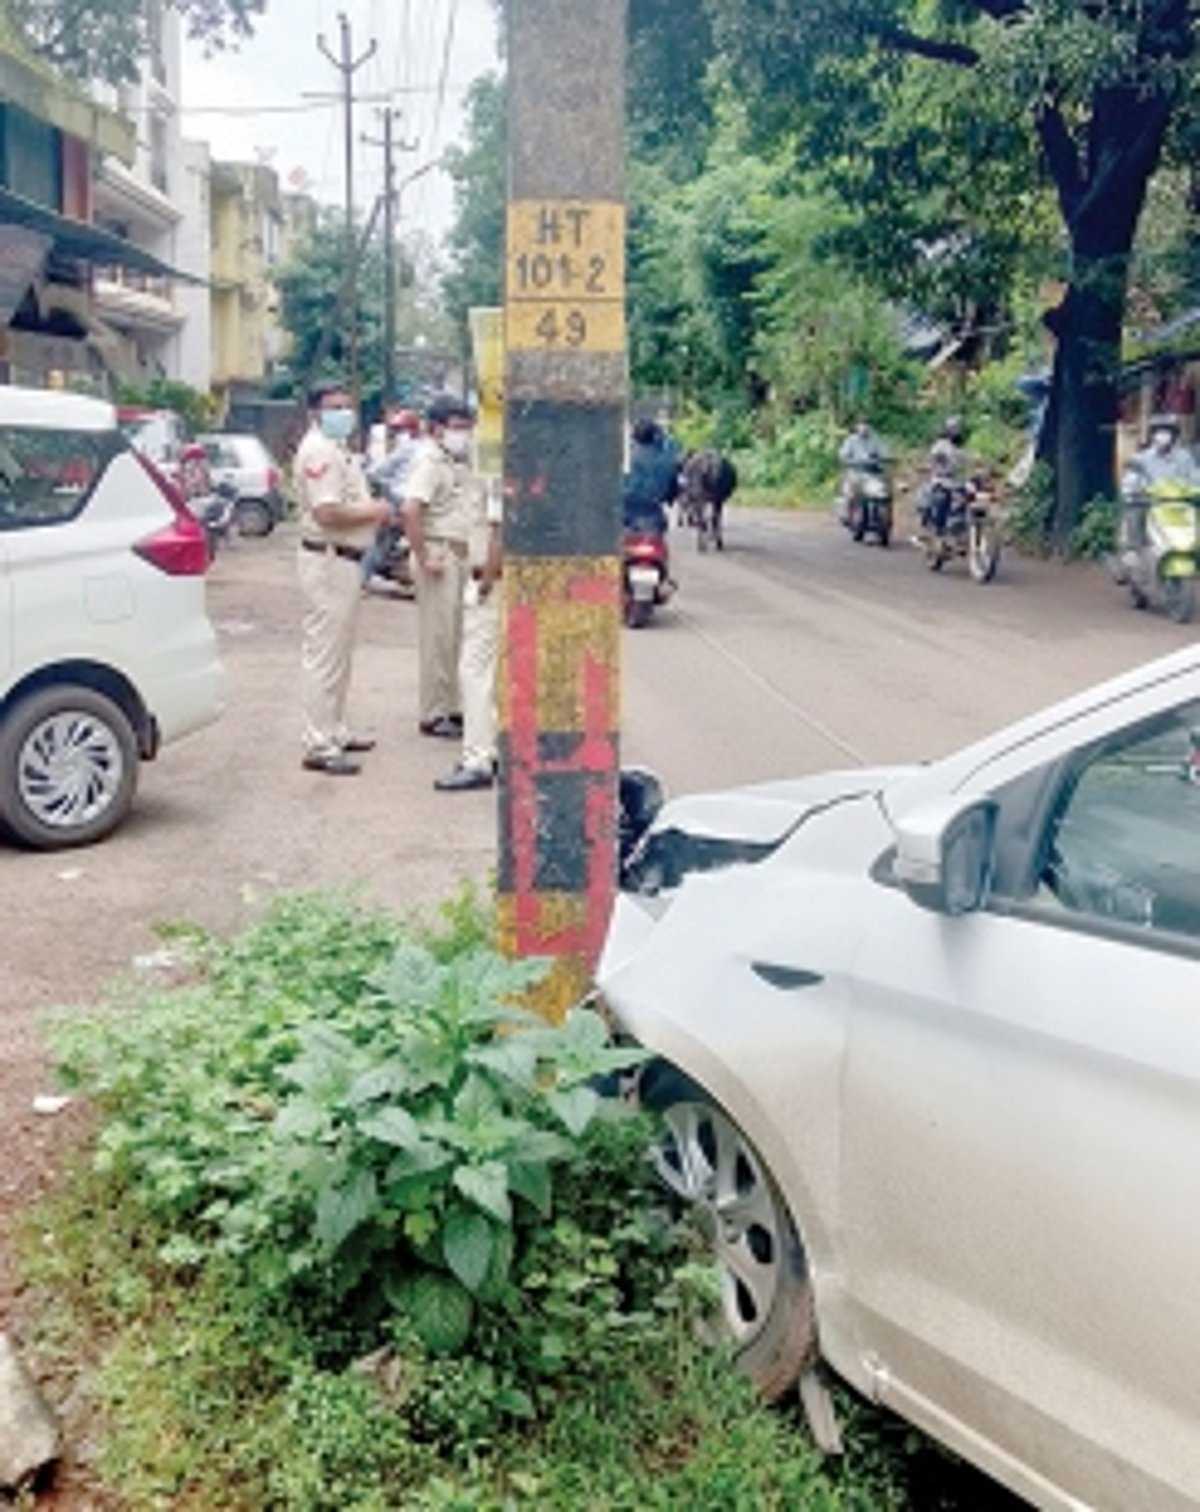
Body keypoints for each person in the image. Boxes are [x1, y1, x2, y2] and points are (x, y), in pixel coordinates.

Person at [294, 380, 391, 775]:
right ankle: (319, 742)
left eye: (346, 406)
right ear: (315, 411)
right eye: (334, 406)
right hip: (328, 559)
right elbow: (327, 513)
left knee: (339, 653)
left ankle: (334, 729)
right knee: (324, 655)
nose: (343, 413)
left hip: (344, 560)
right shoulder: (319, 451)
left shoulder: (337, 450)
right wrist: (375, 512)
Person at [401, 394, 482, 738]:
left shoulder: (458, 460)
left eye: (467, 427)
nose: (463, 433)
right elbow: (410, 510)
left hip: (459, 553)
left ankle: (453, 707)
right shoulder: (429, 460)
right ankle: (433, 712)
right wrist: (423, 555)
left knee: (456, 635)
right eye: (456, 427)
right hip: (439, 552)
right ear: (436, 429)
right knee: (438, 636)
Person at [434, 477, 504, 792]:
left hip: (492, 582)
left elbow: (499, 532)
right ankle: (493, 749)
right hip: (499, 580)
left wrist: (485, 582)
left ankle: (478, 760)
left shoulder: (498, 476)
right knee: (492, 674)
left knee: (474, 671)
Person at [1119, 413, 1200, 557]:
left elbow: (1195, 477)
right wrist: (1132, 490)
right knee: (1133, 508)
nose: (1163, 435)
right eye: (1158, 432)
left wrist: (1195, 488)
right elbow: (1130, 481)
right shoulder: (1141, 458)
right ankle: (1132, 550)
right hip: (1152, 503)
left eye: (1167, 431)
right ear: (1152, 435)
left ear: (1174, 435)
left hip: (1181, 505)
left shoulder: (1185, 457)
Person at [360, 407, 422, 588]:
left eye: (399, 430)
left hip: (400, 501)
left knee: (379, 542)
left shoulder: (407, 447)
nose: (396, 434)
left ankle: (361, 580)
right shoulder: (425, 447)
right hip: (420, 503)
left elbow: (375, 472)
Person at [622, 418, 678, 534]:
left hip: (623, 514)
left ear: (634, 436)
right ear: (655, 437)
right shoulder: (665, 458)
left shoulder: (625, 456)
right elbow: (673, 485)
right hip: (652, 516)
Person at [922, 415, 967, 536]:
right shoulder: (940, 444)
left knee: (968, 501)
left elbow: (969, 460)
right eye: (953, 428)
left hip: (958, 481)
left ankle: (962, 532)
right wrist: (939, 459)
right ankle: (938, 529)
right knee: (941, 499)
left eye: (958, 428)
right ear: (947, 430)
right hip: (942, 480)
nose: (956, 431)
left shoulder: (961, 446)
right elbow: (935, 456)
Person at [837, 417, 885, 524]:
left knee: (881, 492)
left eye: (866, 424)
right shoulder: (851, 440)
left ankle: (880, 516)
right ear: (856, 427)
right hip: (855, 472)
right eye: (861, 424)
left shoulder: (875, 439)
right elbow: (843, 455)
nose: (864, 427)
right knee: (850, 493)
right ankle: (848, 515)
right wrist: (846, 460)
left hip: (872, 473)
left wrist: (885, 459)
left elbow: (884, 453)